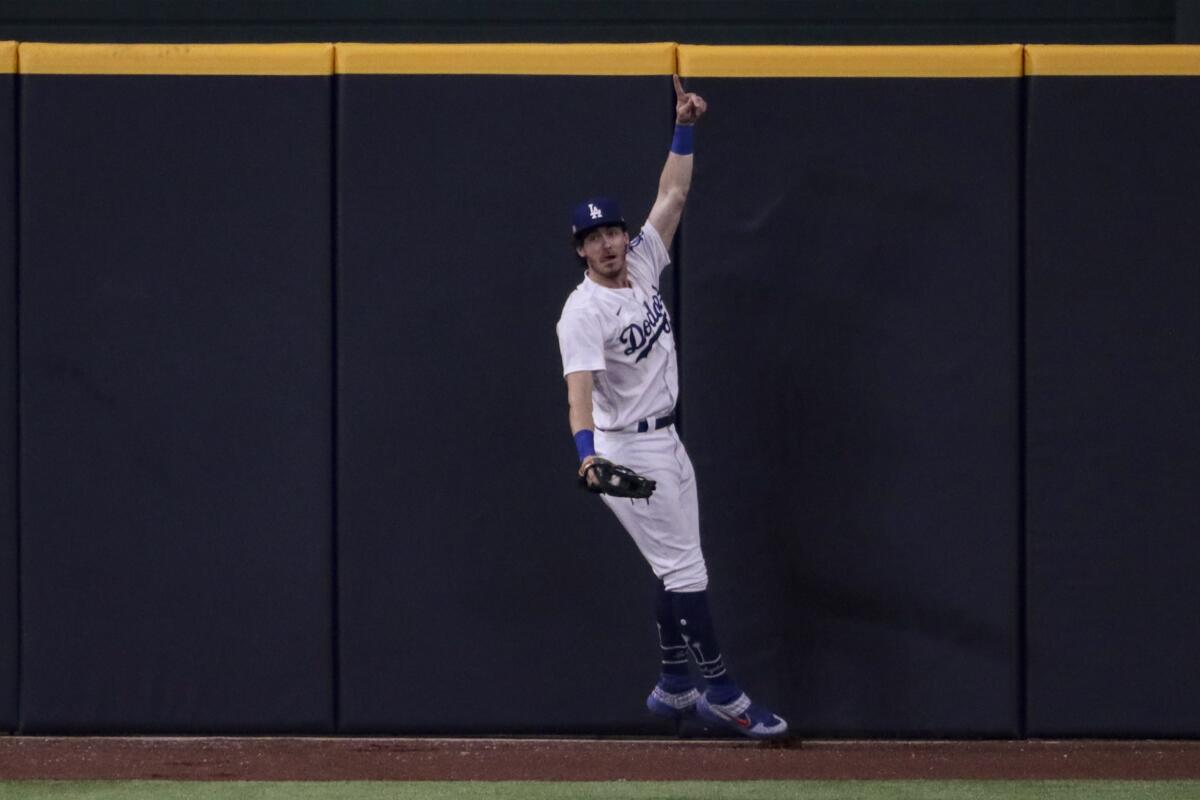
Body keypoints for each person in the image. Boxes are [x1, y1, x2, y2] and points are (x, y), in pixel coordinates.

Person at [554, 76, 788, 740]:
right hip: (623, 449)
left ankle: (673, 683)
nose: (607, 244)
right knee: (685, 568)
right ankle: (722, 692)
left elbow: (674, 193)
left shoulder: (644, 263)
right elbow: (578, 393)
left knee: (675, 562)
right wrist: (588, 456)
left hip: (664, 441)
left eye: (613, 231)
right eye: (593, 238)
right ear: (578, 250)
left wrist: (685, 127)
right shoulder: (583, 310)